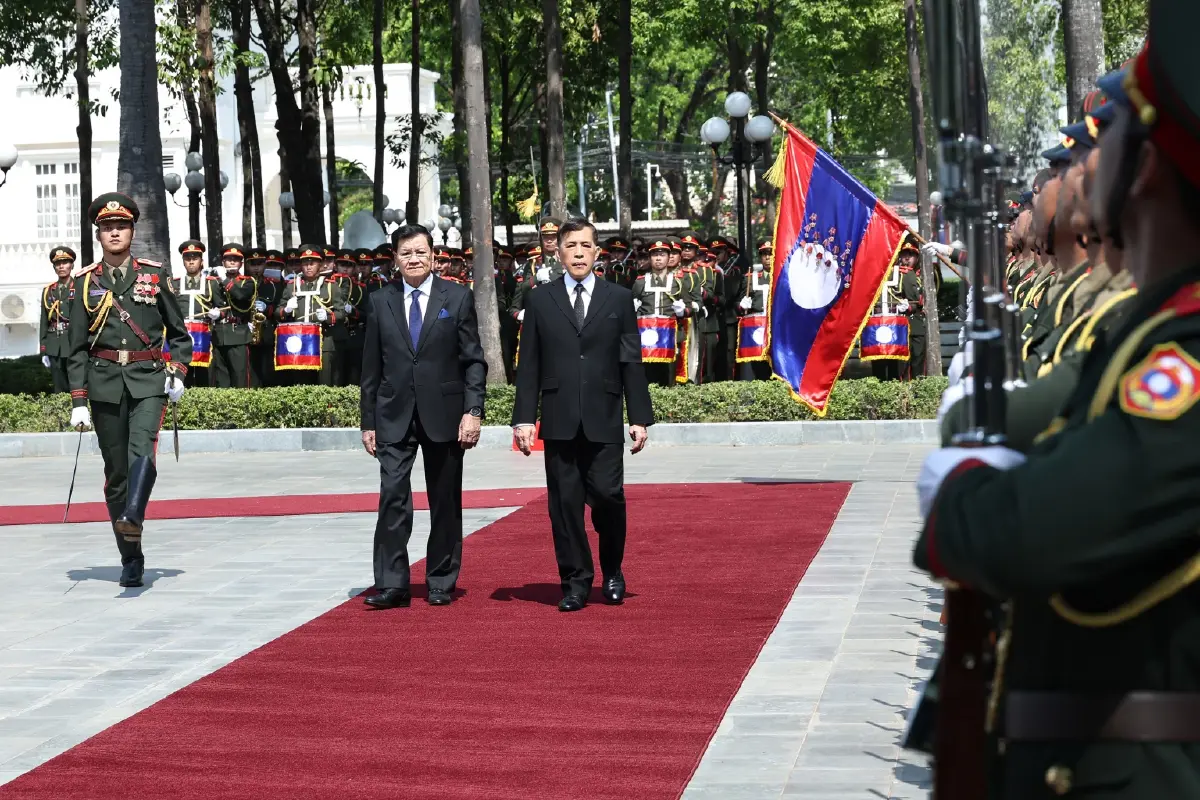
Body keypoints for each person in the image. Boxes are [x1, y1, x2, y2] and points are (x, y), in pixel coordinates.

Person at [916, 11, 1200, 796]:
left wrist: (963, 492)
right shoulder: (1158, 330)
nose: (1073, 171)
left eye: (1105, 142)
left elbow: (1022, 534)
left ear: (1142, 169)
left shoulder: (1186, 358)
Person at [513, 217, 654, 612]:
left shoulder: (619, 298)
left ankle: (612, 571)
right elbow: (530, 366)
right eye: (570, 245)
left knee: (609, 497)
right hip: (558, 418)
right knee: (565, 504)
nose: (577, 252)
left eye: (585, 245)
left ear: (596, 252)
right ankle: (575, 581)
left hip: (604, 415)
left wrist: (639, 416)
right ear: (558, 252)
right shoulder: (540, 300)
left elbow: (631, 361)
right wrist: (525, 418)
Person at [65, 192, 192, 588]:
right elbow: (75, 348)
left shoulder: (154, 276)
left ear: (132, 231)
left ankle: (133, 514)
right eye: (107, 227)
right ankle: (131, 555)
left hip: (148, 380)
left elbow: (180, 335)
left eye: (121, 226)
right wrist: (79, 400)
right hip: (103, 384)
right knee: (115, 474)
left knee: (143, 451)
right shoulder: (86, 283)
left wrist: (178, 371)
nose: (114, 232)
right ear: (99, 235)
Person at [360, 224, 487, 609]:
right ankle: (392, 583)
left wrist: (473, 411)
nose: (413, 259)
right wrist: (368, 421)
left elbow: (474, 361)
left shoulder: (458, 297)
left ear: (434, 256)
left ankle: (440, 581)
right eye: (405, 253)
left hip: (445, 414)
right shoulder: (380, 301)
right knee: (393, 497)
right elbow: (370, 367)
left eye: (420, 252)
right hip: (393, 413)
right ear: (395, 259)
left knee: (444, 500)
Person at [276, 245, 348, 386]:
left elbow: (342, 313)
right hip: (299, 341)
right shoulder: (292, 286)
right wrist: (287, 310)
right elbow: (278, 312)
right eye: (305, 263)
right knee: (301, 383)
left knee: (325, 383)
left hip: (324, 341)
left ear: (320, 265)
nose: (308, 267)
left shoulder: (330, 286)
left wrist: (327, 317)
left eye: (312, 263)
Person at [631, 238, 691, 387]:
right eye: (654, 255)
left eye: (662, 254)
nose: (658, 258)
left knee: (668, 380)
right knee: (646, 379)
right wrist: (632, 309)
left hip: (669, 339)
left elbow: (690, 308)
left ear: (668, 256)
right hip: (646, 341)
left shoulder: (678, 282)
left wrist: (682, 311)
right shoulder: (640, 282)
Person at [171, 240, 222, 388]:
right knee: (182, 375)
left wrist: (217, 314)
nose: (191, 262)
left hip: (203, 335)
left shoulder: (211, 283)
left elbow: (222, 307)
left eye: (195, 258)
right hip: (182, 335)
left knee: (204, 377)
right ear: (183, 261)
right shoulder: (175, 283)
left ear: (201, 261)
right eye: (187, 258)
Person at [211, 243, 257, 388]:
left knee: (240, 379)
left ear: (241, 263)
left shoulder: (248, 281)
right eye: (228, 259)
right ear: (223, 262)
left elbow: (241, 296)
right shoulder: (214, 282)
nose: (232, 262)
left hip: (238, 334)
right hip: (219, 335)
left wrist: (224, 281)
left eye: (236, 259)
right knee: (221, 380)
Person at [40, 246, 77, 392]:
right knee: (59, 389)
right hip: (54, 345)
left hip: (73, 343)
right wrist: (44, 350)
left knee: (76, 385)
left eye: (65, 262)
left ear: (72, 265)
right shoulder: (48, 291)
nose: (61, 266)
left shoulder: (79, 288)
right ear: (54, 267)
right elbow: (44, 321)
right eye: (57, 263)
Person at [735, 240, 773, 381]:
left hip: (776, 330)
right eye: (764, 254)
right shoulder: (750, 278)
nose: (767, 258)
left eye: (770, 254)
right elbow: (737, 305)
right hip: (756, 332)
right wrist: (742, 305)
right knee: (758, 369)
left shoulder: (784, 276)